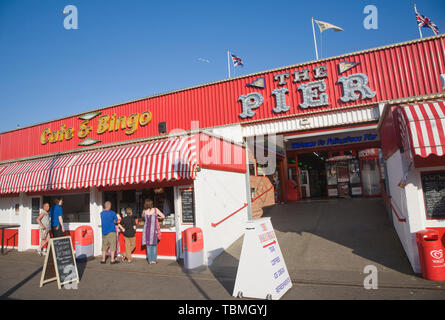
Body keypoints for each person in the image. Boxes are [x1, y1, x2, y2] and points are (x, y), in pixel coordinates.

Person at [141, 199, 165, 264]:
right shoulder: (155, 210)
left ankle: (149, 260)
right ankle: (154, 260)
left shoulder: (144, 211)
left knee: (148, 246)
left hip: (146, 230)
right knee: (154, 246)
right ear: (152, 204)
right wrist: (157, 217)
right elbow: (163, 216)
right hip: (154, 230)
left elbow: (142, 217)